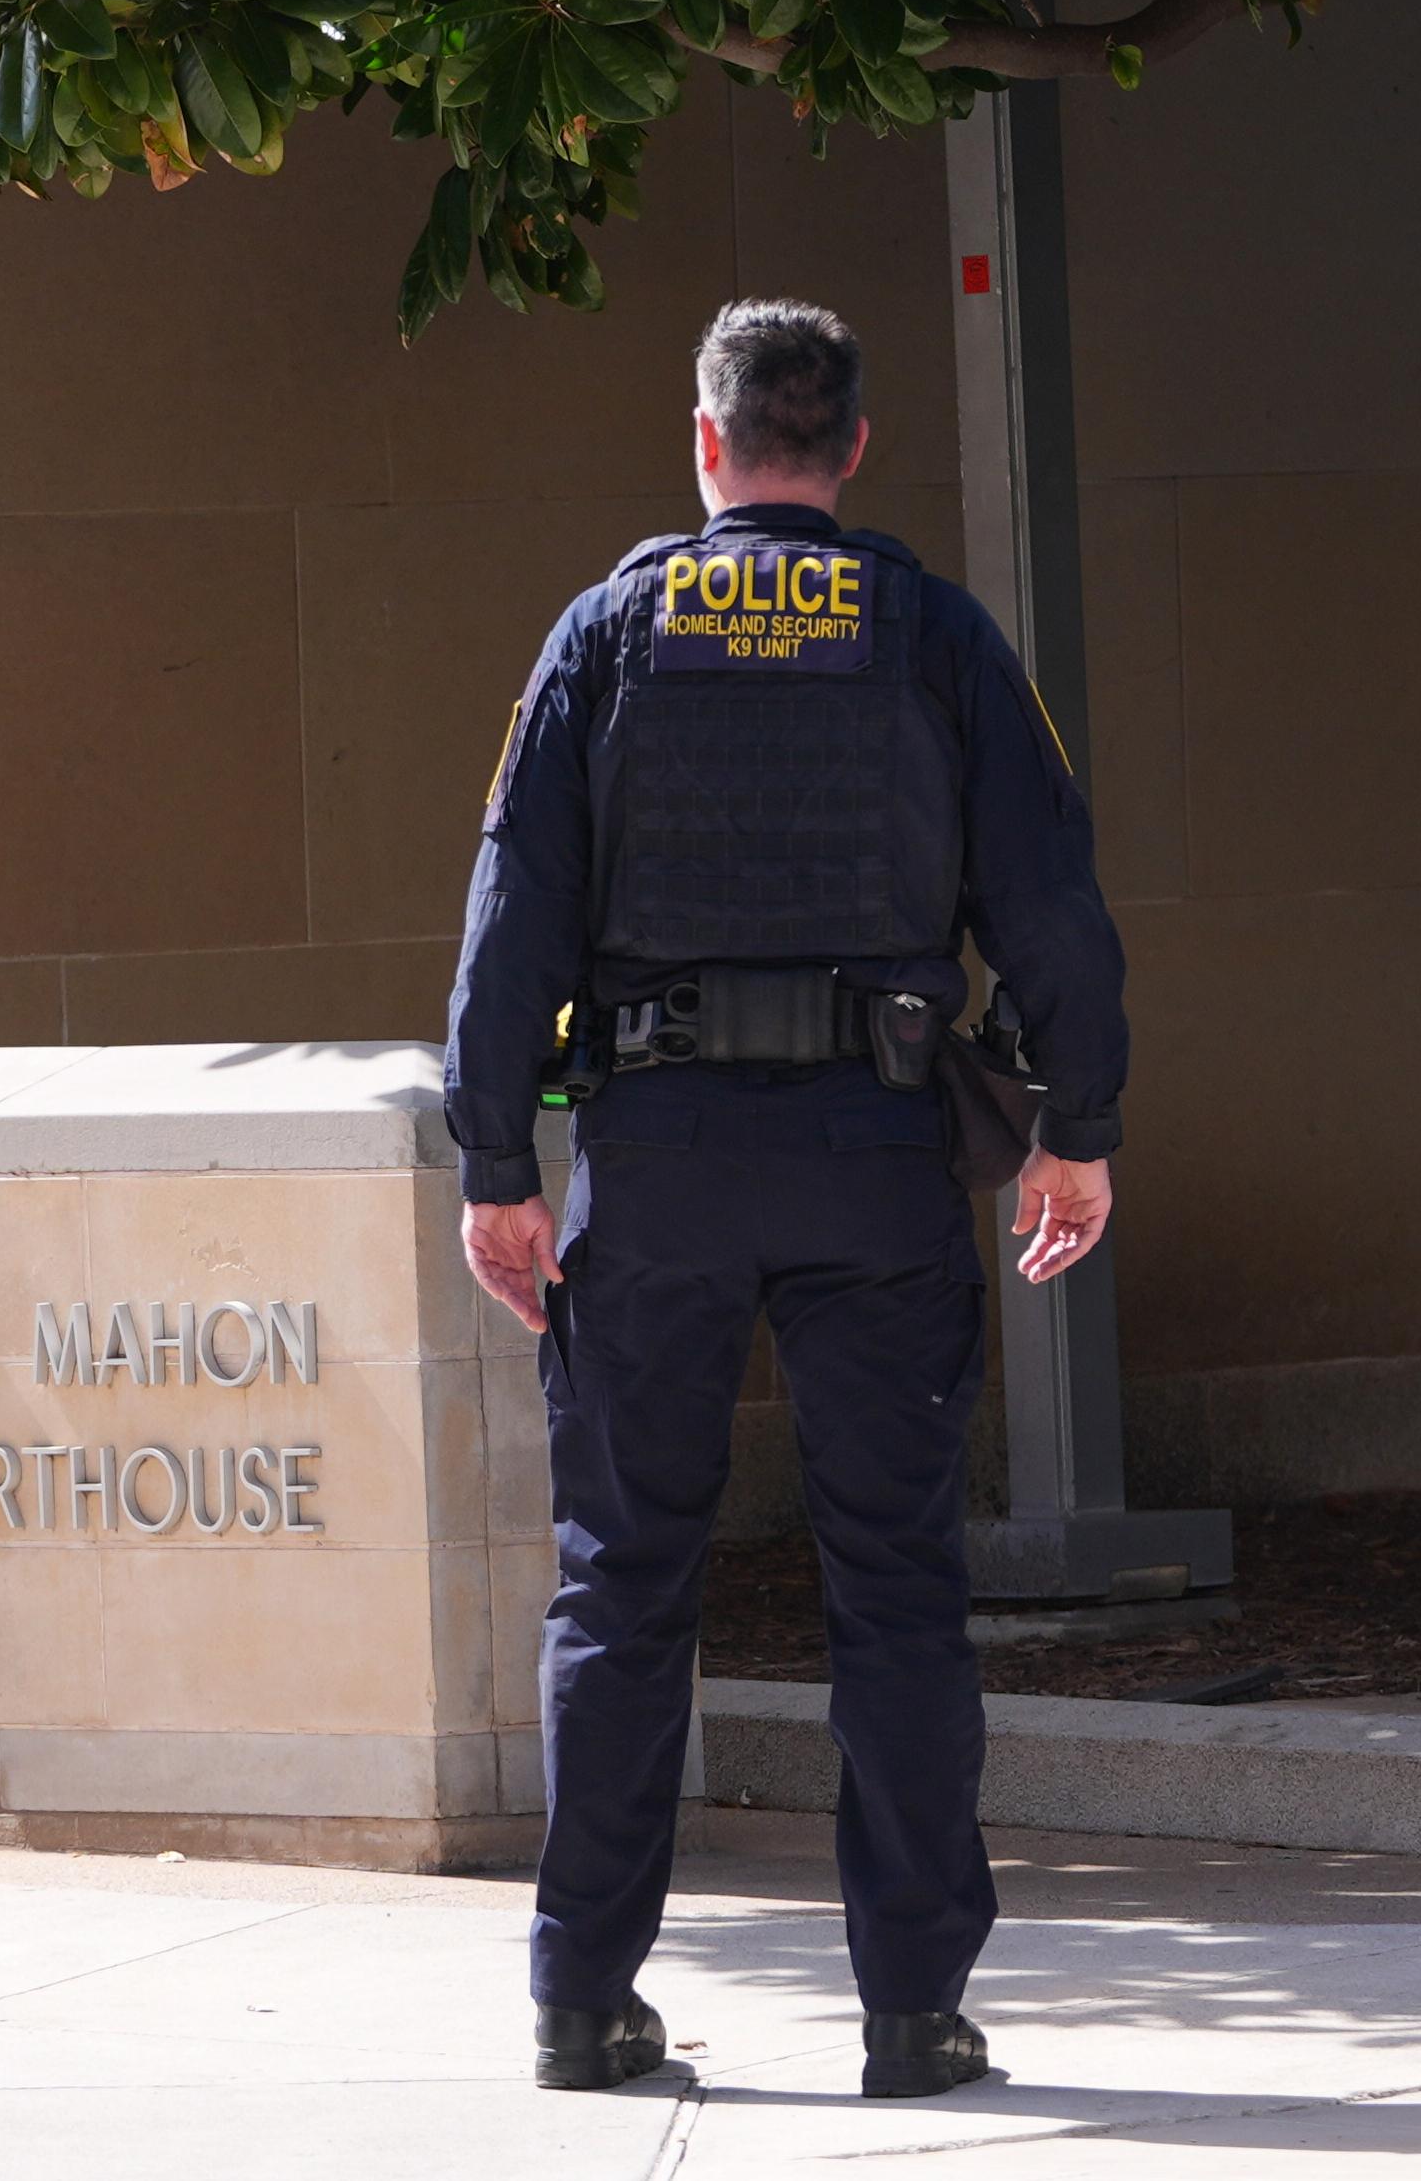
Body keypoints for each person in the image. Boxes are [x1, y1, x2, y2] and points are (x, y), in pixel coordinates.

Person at [446, 301, 1127, 2100]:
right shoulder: (930, 631)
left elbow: (512, 909)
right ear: (854, 448)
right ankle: (914, 2012)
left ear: (706, 439)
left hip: (656, 1160)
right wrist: (1076, 1119)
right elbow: (1051, 895)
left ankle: (581, 1999)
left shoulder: (606, 634)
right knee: (897, 1588)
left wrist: (499, 1167)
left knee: (622, 1585)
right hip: (874, 1156)